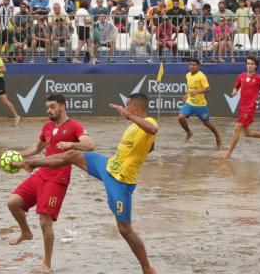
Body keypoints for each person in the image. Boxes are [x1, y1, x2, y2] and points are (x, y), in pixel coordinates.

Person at [11, 93, 158, 274]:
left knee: (124, 229)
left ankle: (147, 269)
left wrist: (126, 115)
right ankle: (32, 164)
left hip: (120, 181)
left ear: (134, 108)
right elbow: (150, 145)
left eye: (127, 106)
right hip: (108, 166)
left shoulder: (148, 122)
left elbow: (152, 130)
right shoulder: (134, 126)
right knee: (72, 155)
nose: (125, 108)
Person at [7, 94, 94, 273]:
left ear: (62, 107)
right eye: (47, 107)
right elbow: (37, 147)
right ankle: (26, 232)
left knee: (45, 221)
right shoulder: (46, 126)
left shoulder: (74, 126)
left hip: (58, 178)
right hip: (41, 174)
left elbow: (90, 145)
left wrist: (71, 144)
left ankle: (46, 264)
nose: (49, 110)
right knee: (13, 203)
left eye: (53, 107)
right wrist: (18, 155)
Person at [223, 56, 260, 159]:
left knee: (236, 128)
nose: (250, 66)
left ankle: (228, 153)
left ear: (256, 66)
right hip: (242, 106)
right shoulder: (241, 76)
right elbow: (236, 87)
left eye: (252, 64)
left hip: (250, 107)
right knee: (248, 133)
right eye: (248, 63)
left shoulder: (259, 78)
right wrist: (234, 91)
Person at [178, 59, 222, 146]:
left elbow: (207, 89)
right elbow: (190, 88)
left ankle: (217, 134)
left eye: (194, 65)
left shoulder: (201, 76)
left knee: (206, 123)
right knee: (180, 118)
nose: (192, 66)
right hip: (189, 103)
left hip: (200, 105)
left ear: (198, 66)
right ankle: (189, 133)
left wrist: (197, 92)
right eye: (190, 64)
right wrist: (186, 94)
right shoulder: (187, 75)